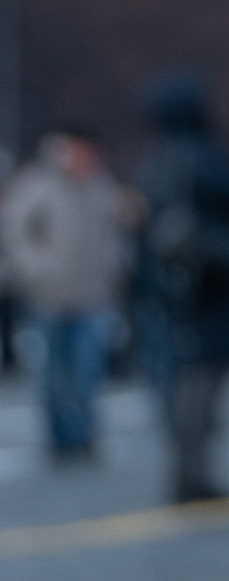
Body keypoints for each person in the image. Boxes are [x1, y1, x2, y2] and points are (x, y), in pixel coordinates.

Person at [135, 74, 229, 504]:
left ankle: (191, 472)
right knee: (202, 382)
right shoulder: (197, 155)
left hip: (182, 286)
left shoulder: (160, 158)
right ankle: (192, 474)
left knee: (190, 380)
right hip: (210, 286)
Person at [0, 127, 131, 464]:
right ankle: (58, 439)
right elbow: (16, 232)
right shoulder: (38, 184)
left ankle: (84, 436)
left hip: (92, 293)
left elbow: (113, 230)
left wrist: (115, 264)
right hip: (49, 295)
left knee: (88, 369)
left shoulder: (100, 184)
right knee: (53, 374)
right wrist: (35, 270)